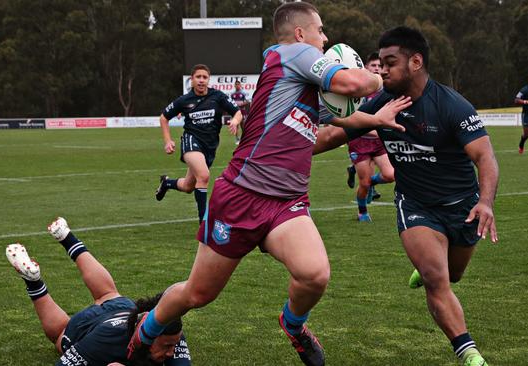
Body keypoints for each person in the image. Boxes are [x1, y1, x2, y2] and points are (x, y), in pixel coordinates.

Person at [127, 3, 408, 366]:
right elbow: (353, 83)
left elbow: (320, 138)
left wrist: (373, 120)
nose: (326, 38)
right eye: (321, 30)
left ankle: (293, 326)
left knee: (315, 275)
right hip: (241, 195)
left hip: (285, 202)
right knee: (198, 294)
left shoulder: (301, 87)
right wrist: (377, 77)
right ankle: (142, 334)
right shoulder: (292, 54)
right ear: (301, 34)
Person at [314, 26, 499, 366]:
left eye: (389, 62)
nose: (381, 70)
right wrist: (285, 150)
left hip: (462, 206)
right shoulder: (381, 104)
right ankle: (469, 354)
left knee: (452, 274)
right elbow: (329, 137)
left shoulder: (451, 105)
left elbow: (485, 157)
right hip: (415, 205)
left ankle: (429, 266)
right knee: (435, 277)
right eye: (379, 63)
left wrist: (485, 201)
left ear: (416, 62)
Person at [6, 217, 191, 366]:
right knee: (59, 336)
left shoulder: (169, 326)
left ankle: (67, 237)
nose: (171, 352)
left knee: (108, 293)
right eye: (167, 346)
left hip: (125, 309)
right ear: (147, 335)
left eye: (174, 345)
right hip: (90, 327)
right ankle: (33, 282)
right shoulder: (104, 342)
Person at [155, 64, 243, 223]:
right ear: (192, 80)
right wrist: (168, 141)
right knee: (203, 175)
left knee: (189, 186)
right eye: (198, 77)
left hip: (209, 146)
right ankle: (204, 222)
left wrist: (235, 121)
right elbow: (163, 117)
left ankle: (167, 183)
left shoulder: (218, 96)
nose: (201, 80)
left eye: (205, 77)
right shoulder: (184, 100)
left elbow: (237, 112)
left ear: (208, 80)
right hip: (191, 141)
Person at [342, 52, 395, 221]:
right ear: (365, 68)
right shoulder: (359, 91)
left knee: (390, 175)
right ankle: (362, 212)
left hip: (378, 143)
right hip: (360, 143)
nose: (377, 69)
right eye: (373, 66)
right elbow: (355, 121)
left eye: (380, 66)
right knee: (363, 184)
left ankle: (369, 181)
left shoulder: (384, 90)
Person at [230, 80, 250, 145]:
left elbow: (247, 101)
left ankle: (244, 138)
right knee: (236, 125)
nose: (237, 86)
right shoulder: (232, 94)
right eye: (236, 84)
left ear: (240, 85)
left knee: (243, 125)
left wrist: (242, 104)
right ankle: (237, 139)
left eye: (238, 84)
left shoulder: (243, 93)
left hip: (242, 111)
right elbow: (231, 102)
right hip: (235, 111)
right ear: (234, 85)